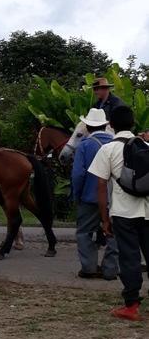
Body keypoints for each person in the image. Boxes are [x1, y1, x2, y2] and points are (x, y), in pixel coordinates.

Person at [88, 105, 148, 321]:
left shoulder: (108, 149)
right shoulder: (146, 145)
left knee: (130, 258)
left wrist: (104, 219)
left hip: (123, 213)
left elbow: (101, 186)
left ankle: (131, 306)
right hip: (147, 211)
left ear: (111, 124)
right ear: (133, 123)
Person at [71, 108, 118, 280]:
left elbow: (78, 174)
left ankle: (89, 268)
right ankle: (111, 269)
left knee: (84, 232)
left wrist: (77, 195)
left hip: (89, 198)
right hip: (114, 199)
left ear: (88, 126)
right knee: (114, 233)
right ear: (105, 125)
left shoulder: (85, 145)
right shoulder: (116, 143)